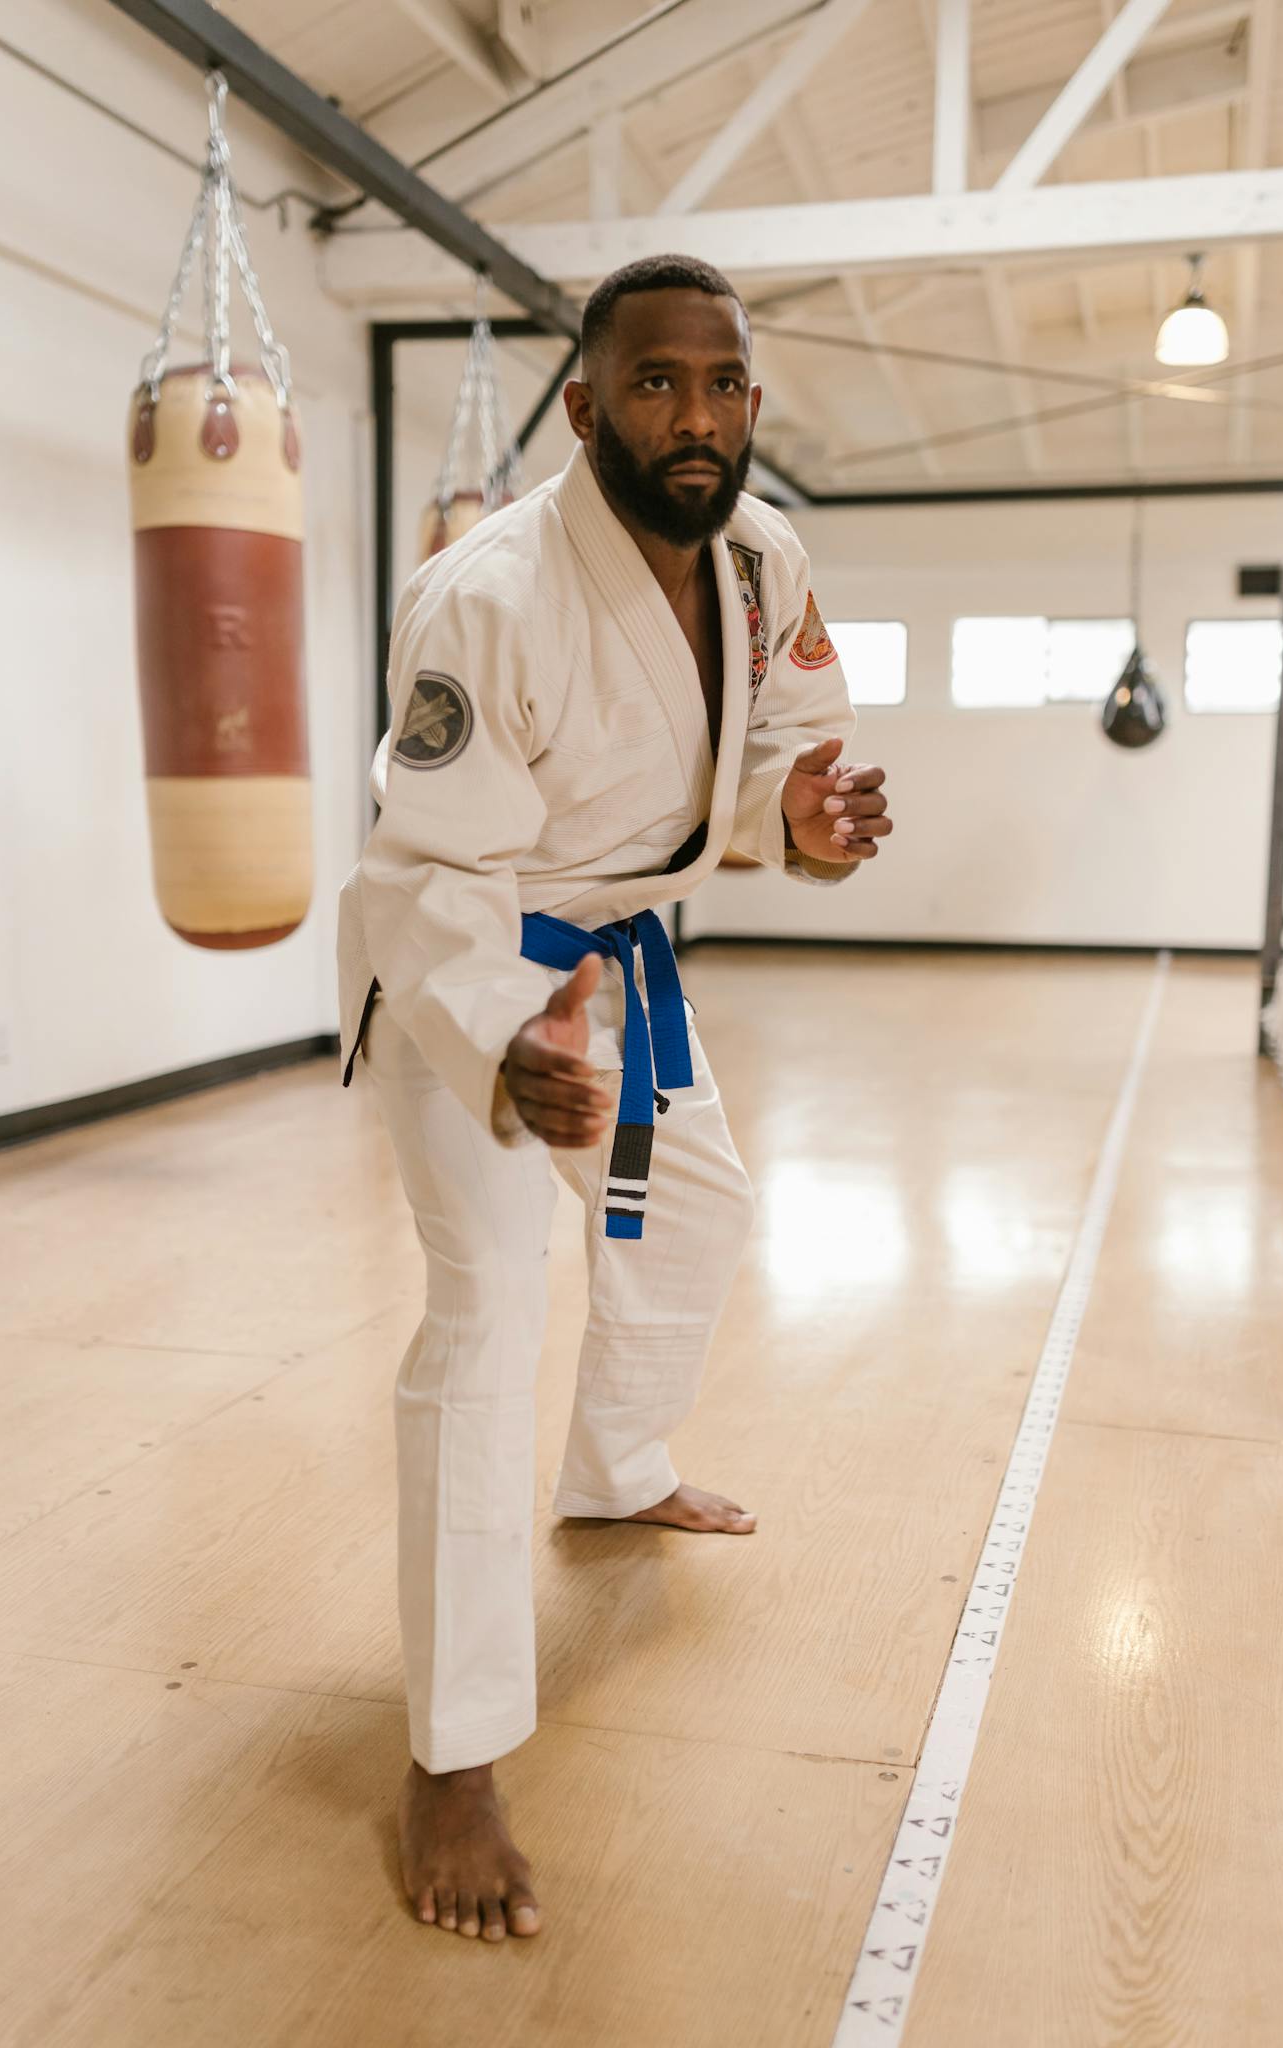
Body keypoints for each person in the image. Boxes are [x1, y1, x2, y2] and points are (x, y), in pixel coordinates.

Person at [336, 254, 892, 1943]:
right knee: (485, 1316)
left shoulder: (762, 555)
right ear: (584, 409)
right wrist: (499, 1032)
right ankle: (453, 1757)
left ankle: (615, 1466)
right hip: (479, 978)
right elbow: (420, 866)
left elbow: (784, 748)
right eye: (655, 385)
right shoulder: (484, 595)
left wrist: (802, 827)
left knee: (694, 1205)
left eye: (720, 385)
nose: (695, 417)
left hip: (619, 969)